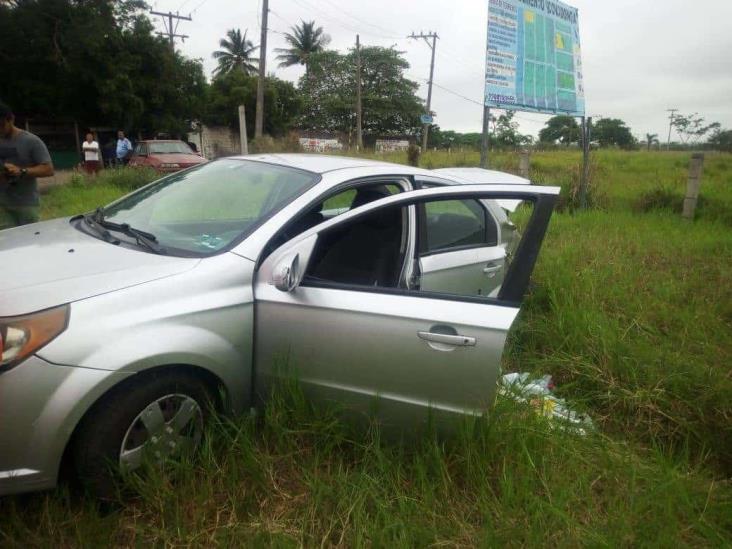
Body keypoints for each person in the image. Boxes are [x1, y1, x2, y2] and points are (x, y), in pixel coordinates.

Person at [0, 101, 54, 229]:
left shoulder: (31, 141)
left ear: (11, 119)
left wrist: (22, 171)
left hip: (26, 205)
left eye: (1, 125)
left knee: (29, 243)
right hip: (3, 206)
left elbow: (48, 169)